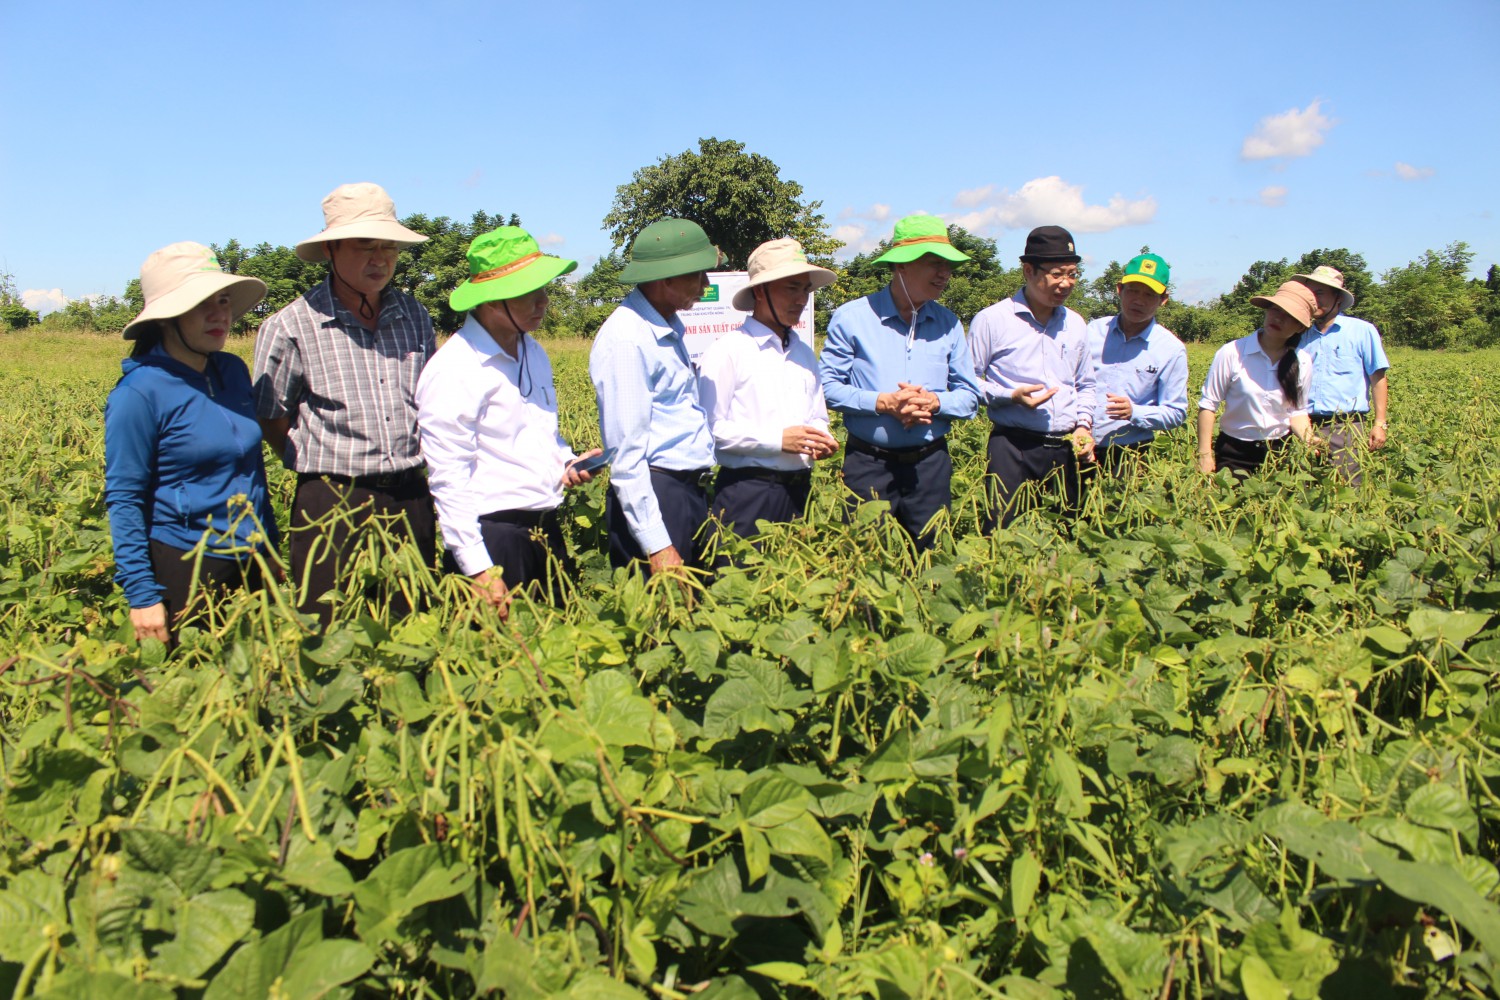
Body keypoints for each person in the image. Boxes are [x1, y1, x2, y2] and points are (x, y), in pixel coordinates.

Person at [252, 182, 437, 626]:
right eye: (364, 246)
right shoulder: (290, 325)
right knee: (329, 627)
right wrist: (325, 462)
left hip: (410, 493)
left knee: (413, 625)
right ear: (332, 250)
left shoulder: (414, 315)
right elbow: (271, 416)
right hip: (332, 501)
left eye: (388, 247)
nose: (380, 259)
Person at [415, 227, 600, 618]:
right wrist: (480, 569)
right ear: (492, 301)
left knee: (560, 654)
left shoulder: (534, 352)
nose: (543, 301)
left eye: (544, 289)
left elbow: (539, 435)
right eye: (528, 293)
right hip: (492, 541)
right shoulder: (455, 370)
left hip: (544, 531)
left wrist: (566, 463)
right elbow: (449, 479)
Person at [104, 242, 278, 643]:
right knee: (198, 687)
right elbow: (124, 498)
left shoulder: (232, 371)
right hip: (186, 562)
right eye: (202, 303)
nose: (220, 314)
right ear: (166, 319)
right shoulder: (139, 393)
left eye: (223, 300)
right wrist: (142, 595)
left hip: (252, 555)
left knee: (261, 682)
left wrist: (268, 544)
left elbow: (252, 470)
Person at [820, 214, 981, 551]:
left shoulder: (949, 324)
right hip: (869, 466)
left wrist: (935, 403)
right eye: (934, 264)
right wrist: (884, 403)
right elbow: (827, 387)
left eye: (948, 266)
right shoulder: (852, 318)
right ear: (901, 267)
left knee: (932, 560)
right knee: (864, 562)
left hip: (929, 466)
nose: (944, 274)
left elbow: (968, 397)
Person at [589, 219, 720, 574]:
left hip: (683, 492)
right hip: (656, 496)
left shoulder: (664, 329)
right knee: (661, 619)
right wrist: (657, 544)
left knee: (691, 619)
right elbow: (627, 456)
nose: (705, 285)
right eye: (697, 276)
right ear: (666, 279)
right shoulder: (628, 340)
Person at [698, 238, 839, 549]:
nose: (801, 299)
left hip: (800, 491)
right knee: (738, 587)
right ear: (760, 292)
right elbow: (710, 429)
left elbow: (817, 416)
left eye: (805, 289)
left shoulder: (804, 353)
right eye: (791, 288)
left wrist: (821, 439)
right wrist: (777, 441)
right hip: (747, 493)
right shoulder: (728, 351)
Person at [969, 225, 1096, 530]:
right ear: (1028, 270)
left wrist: (1083, 425)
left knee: (1065, 532)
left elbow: (1087, 384)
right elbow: (966, 382)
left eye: (1072, 274)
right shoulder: (992, 320)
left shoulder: (1076, 324)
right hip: (1012, 446)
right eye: (1056, 274)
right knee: (1004, 532)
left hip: (1066, 449)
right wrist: (1010, 395)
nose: (1066, 283)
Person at [1196, 281, 1318, 478]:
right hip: (1233, 451)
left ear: (1299, 327)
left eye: (1289, 316)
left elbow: (1297, 411)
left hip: (1279, 453)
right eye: (1275, 309)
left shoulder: (1302, 361)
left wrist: (1309, 440)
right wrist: (1205, 454)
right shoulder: (1232, 352)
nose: (1278, 318)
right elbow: (1208, 405)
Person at [1085, 253, 1189, 474]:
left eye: (1150, 294)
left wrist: (1135, 412)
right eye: (1133, 290)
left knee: (1118, 507)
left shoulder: (1171, 349)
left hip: (1129, 453)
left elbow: (1176, 412)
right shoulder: (1092, 331)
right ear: (1120, 290)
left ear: (1163, 299)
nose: (1139, 301)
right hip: (1079, 444)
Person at [1292, 265, 1390, 484]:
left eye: (1320, 294)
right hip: (1302, 425)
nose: (1314, 300)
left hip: (1345, 427)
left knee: (1348, 489)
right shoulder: (1298, 333)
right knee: (1304, 491)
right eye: (1310, 294)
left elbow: (1378, 379)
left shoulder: (1362, 331)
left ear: (1337, 298)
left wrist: (1380, 423)